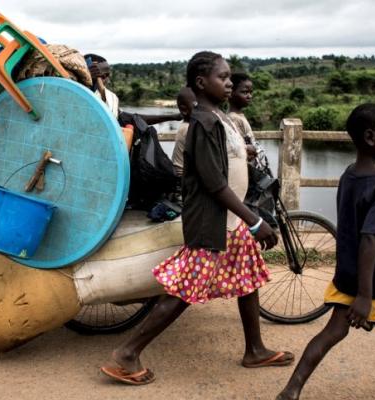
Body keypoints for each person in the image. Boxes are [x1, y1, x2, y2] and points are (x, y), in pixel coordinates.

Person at [99, 51, 292, 386]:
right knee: (184, 291)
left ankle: (255, 349)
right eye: (223, 77)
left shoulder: (220, 118)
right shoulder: (202, 124)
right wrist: (255, 220)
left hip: (229, 222)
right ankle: (126, 355)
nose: (230, 82)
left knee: (248, 281)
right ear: (202, 83)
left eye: (231, 76)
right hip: (212, 221)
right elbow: (214, 183)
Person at [276, 104, 375, 400]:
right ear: (370, 137)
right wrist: (365, 297)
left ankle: (291, 391)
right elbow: (370, 239)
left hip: (349, 273)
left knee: (332, 332)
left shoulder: (349, 174)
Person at [84, 53, 181, 125]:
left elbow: (133, 119)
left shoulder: (109, 100)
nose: (107, 80)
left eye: (107, 76)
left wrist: (173, 117)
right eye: (103, 76)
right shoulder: (73, 95)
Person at [227, 72, 266, 168]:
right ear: (231, 93)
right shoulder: (234, 118)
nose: (249, 96)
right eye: (244, 92)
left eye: (250, 92)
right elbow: (239, 149)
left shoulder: (239, 115)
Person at [170, 86, 196, 177]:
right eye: (197, 105)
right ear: (184, 110)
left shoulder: (186, 125)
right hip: (183, 178)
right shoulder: (189, 129)